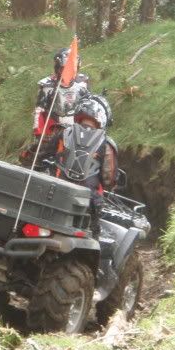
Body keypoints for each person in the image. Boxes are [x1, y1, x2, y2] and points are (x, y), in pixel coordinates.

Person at [53, 96, 117, 237]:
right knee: (92, 238)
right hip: (89, 200)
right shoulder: (106, 144)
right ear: (102, 117)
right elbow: (108, 178)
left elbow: (47, 155)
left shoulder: (64, 133)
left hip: (57, 192)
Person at [33, 47, 90, 138]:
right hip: (54, 130)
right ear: (58, 68)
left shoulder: (82, 82)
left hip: (78, 128)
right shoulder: (47, 85)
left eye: (72, 69)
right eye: (65, 69)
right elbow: (39, 111)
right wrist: (39, 132)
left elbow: (89, 105)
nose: (69, 71)